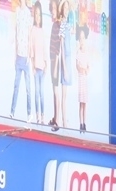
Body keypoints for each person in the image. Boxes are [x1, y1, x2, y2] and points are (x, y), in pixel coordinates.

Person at [47, 0, 72, 131]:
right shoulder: (57, 25)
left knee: (57, 92)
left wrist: (57, 65)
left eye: (54, 9)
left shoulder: (59, 25)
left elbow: (58, 48)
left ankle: (58, 120)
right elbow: (55, 46)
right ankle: (57, 118)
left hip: (56, 62)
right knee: (55, 92)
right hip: (54, 61)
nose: (52, 11)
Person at [9, 0, 33, 120]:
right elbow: (16, 32)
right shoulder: (17, 12)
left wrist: (29, 54)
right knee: (16, 86)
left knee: (28, 88)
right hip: (18, 56)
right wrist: (14, 55)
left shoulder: (28, 13)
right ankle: (12, 111)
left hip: (26, 57)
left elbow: (29, 34)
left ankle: (29, 114)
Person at [28, 2, 48, 125]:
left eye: (39, 15)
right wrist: (32, 66)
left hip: (43, 67)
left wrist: (46, 65)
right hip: (36, 67)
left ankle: (43, 116)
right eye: (36, 14)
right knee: (36, 93)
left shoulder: (42, 31)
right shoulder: (33, 30)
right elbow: (31, 50)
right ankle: (37, 116)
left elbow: (45, 48)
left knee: (42, 93)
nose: (38, 17)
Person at [75, 25, 89, 133]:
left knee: (85, 103)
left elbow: (89, 66)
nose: (82, 40)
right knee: (81, 103)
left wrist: (86, 70)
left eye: (83, 38)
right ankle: (80, 124)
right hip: (80, 79)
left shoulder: (87, 52)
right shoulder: (78, 52)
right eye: (80, 38)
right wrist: (82, 69)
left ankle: (85, 123)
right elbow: (77, 66)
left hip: (85, 79)